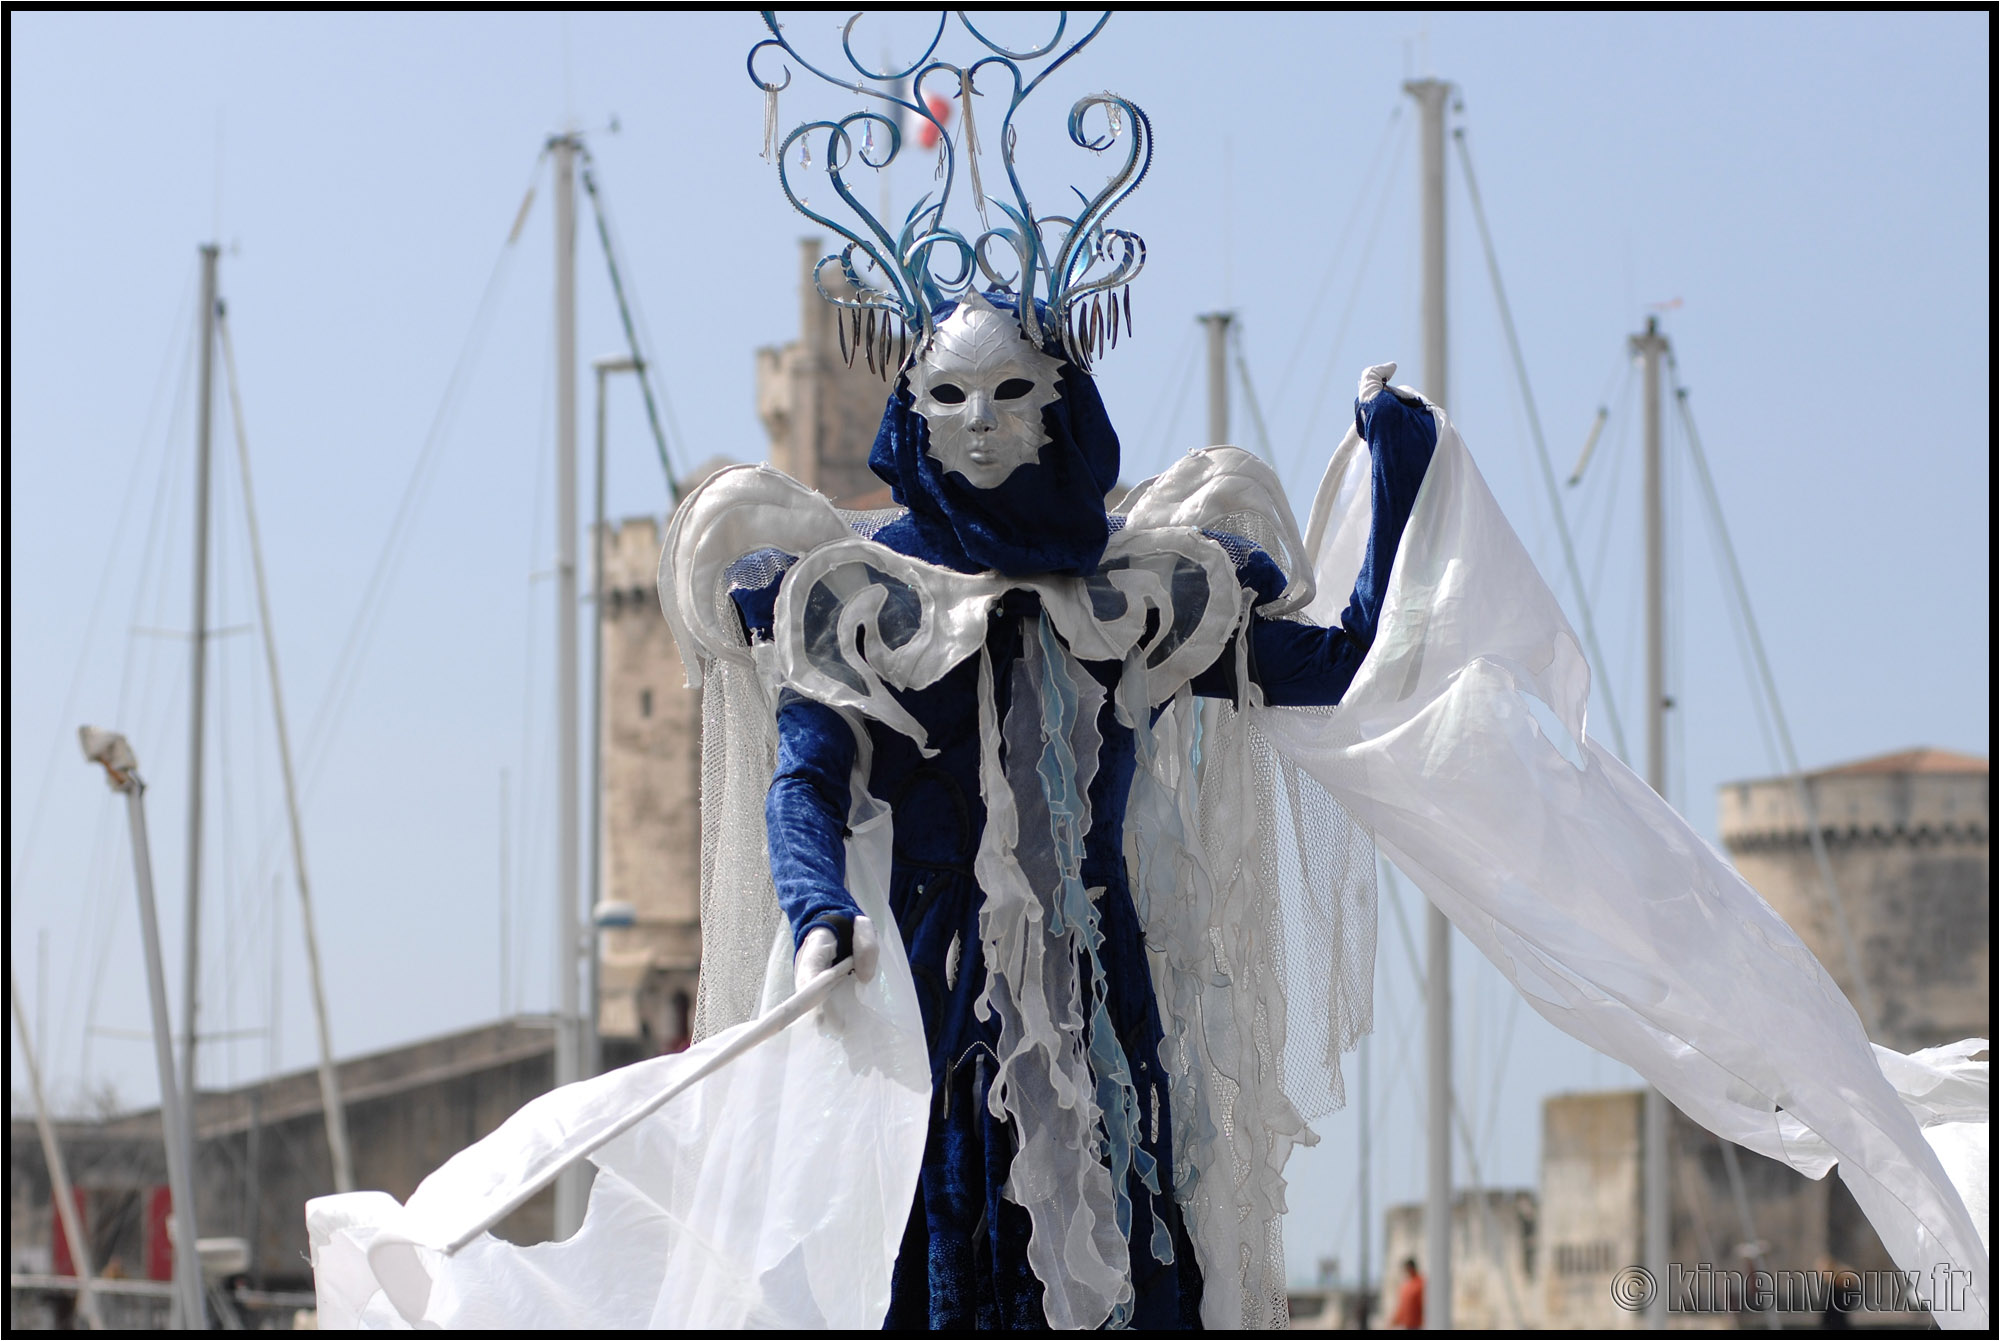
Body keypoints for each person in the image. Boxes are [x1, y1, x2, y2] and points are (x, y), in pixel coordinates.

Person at [733, 290, 1436, 1329]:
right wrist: (816, 911)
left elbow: (1337, 666)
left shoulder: (1134, 595)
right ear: (911, 410)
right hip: (923, 999)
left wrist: (1401, 477)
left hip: (1100, 998)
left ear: (1059, 405)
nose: (978, 420)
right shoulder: (866, 601)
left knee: (1121, 1249)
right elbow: (806, 780)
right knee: (927, 1253)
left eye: (1010, 391)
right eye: (949, 394)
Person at [1388, 1257, 1424, 1330]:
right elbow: (1402, 1306)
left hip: (1417, 1324)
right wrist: (1395, 1320)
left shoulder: (1420, 1284)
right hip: (1407, 1324)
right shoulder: (1406, 1286)